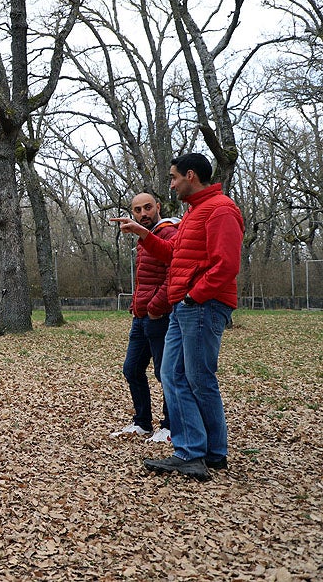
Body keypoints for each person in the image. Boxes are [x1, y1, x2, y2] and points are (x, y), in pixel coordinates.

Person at [112, 153, 244, 481]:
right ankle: (206, 452)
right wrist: (143, 235)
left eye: (173, 178)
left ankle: (194, 453)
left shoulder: (220, 209)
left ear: (190, 175)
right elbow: (174, 255)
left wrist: (192, 295)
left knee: (196, 378)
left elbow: (226, 265)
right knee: (173, 374)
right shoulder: (194, 212)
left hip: (200, 306)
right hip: (184, 308)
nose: (171, 184)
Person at [110, 193, 178, 443]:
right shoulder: (143, 238)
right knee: (132, 369)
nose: (143, 214)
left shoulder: (169, 233)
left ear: (158, 207)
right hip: (141, 317)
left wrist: (155, 306)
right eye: (137, 210)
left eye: (148, 208)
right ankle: (142, 423)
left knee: (165, 373)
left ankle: (171, 426)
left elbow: (174, 274)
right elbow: (146, 277)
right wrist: (137, 305)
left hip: (159, 316)